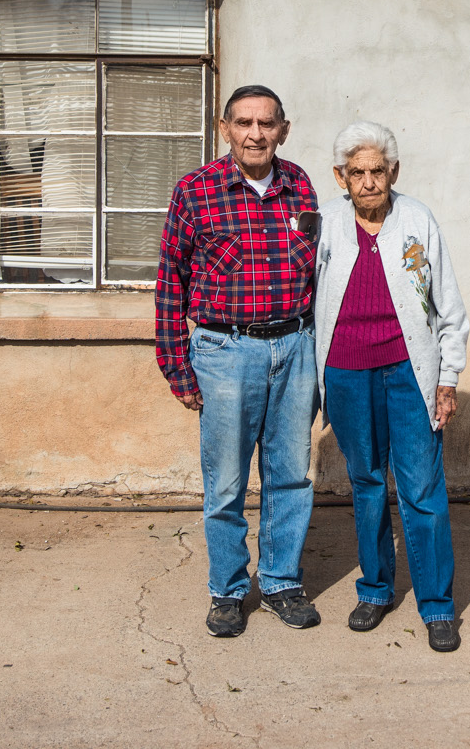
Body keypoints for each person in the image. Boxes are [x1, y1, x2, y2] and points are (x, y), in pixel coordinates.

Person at [154, 84, 322, 638]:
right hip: (224, 352)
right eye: (244, 123)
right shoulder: (195, 191)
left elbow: (321, 276)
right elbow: (169, 285)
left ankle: (280, 582)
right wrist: (178, 366)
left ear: (283, 129)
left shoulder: (301, 186)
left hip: (295, 346)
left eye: (267, 123)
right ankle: (227, 590)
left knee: (291, 475)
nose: (256, 133)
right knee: (225, 482)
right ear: (224, 128)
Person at [314, 120, 470, 653]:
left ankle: (437, 606)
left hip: (409, 373)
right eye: (356, 172)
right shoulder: (326, 225)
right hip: (346, 373)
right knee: (367, 484)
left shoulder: (418, 220)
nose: (368, 181)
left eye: (377, 170)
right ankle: (376, 589)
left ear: (393, 172)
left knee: (422, 488)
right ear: (341, 177)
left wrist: (447, 379)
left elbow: (448, 309)